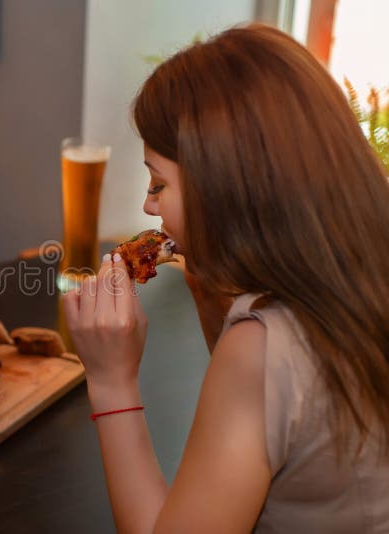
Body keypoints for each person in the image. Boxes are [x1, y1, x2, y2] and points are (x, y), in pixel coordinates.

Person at [63, 23, 389, 532]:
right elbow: (282, 430)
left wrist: (110, 381)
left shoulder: (261, 352)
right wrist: (210, 298)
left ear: (225, 186)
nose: (147, 205)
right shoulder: (360, 279)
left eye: (158, 182)